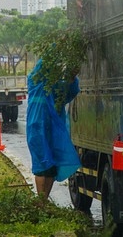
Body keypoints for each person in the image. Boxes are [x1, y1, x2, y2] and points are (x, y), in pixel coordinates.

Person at [25, 59, 81, 201]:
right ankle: (41, 201)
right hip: (37, 128)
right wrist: (56, 45)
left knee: (51, 168)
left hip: (54, 131)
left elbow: (72, 90)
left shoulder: (57, 87)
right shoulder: (35, 81)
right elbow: (43, 64)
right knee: (41, 166)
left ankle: (44, 201)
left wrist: (72, 77)